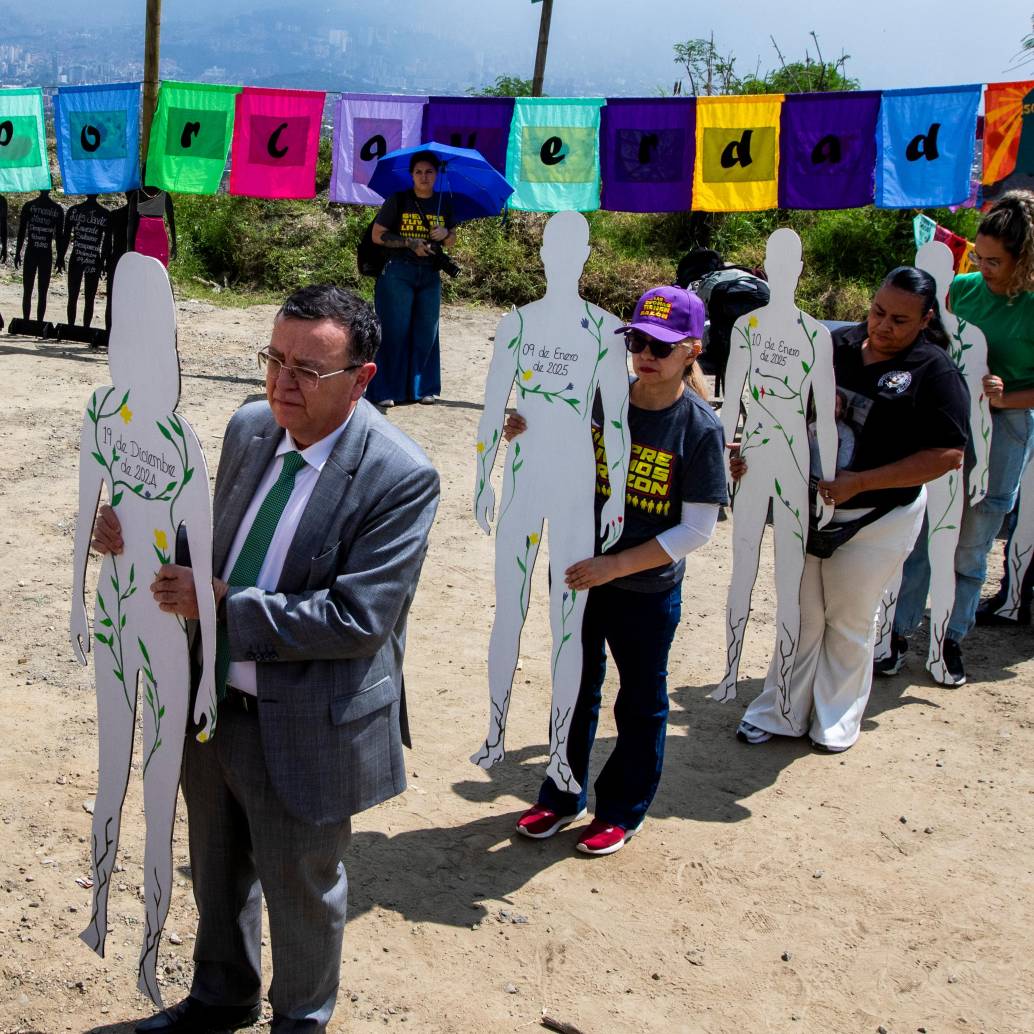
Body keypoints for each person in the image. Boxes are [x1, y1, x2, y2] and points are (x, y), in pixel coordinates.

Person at [90, 284, 440, 1034]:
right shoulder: (250, 428)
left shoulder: (399, 475)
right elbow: (208, 544)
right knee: (217, 872)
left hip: (311, 721)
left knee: (301, 887)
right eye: (274, 359)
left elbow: (357, 618)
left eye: (308, 370)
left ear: (363, 378)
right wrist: (136, 529)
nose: (283, 383)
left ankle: (301, 1021)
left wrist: (217, 603)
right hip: (212, 704)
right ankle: (221, 1000)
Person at [511, 286, 727, 856]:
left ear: (692, 350)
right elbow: (559, 451)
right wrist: (523, 429)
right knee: (573, 686)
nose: (645, 354)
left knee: (639, 700)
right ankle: (560, 795)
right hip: (584, 576)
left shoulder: (699, 429)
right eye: (637, 341)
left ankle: (622, 810)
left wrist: (616, 566)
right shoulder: (601, 397)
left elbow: (696, 531)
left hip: (643, 589)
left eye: (661, 344)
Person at [732, 268, 969, 752]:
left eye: (899, 320)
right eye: (877, 311)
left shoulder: (935, 371)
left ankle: (835, 719)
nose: (882, 326)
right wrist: (754, 450)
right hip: (809, 507)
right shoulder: (834, 346)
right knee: (800, 614)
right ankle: (779, 710)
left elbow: (948, 454)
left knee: (850, 619)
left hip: (877, 518)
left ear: (925, 321)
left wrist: (861, 482)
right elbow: (786, 408)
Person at [885, 191, 1034, 681]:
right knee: (924, 533)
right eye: (980, 256)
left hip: (1004, 431)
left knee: (973, 542)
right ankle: (899, 633)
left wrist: (1005, 397)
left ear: (1024, 259)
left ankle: (951, 638)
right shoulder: (959, 290)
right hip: (944, 425)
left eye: (996, 261)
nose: (984, 268)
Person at [369, 150, 456, 407]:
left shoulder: (444, 202)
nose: (424, 176)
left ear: (436, 174)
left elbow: (452, 238)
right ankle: (385, 389)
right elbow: (377, 234)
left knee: (426, 331)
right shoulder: (398, 200)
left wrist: (444, 234)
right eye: (418, 172)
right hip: (398, 272)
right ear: (411, 175)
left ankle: (422, 389)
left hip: (430, 274)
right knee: (394, 330)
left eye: (429, 171)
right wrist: (409, 242)